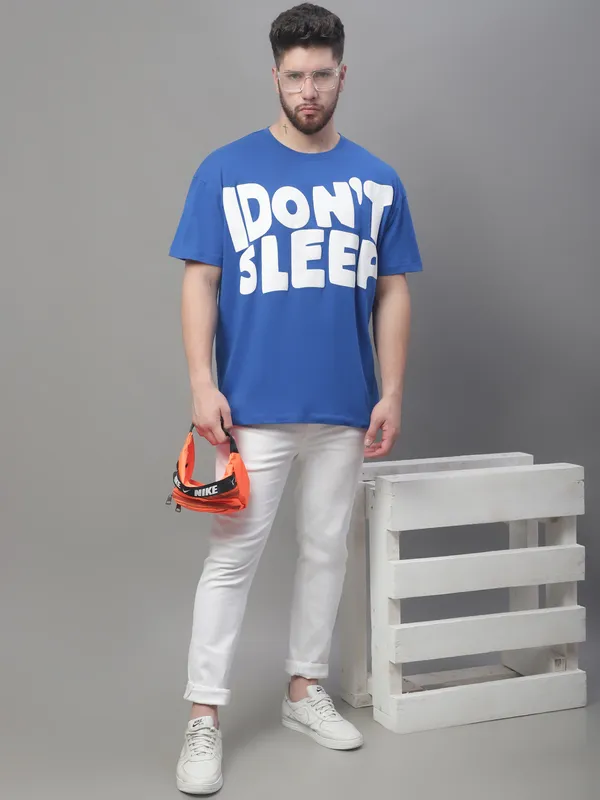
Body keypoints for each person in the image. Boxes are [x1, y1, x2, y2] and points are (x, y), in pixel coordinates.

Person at [168, 3, 422, 794]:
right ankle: (204, 716)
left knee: (325, 551)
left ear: (343, 74)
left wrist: (391, 390)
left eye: (321, 75)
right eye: (294, 76)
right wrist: (202, 381)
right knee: (231, 560)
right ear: (274, 75)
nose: (308, 90)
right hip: (251, 409)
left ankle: (303, 691)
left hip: (344, 407)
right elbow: (200, 279)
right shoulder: (225, 170)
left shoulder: (377, 180)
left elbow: (393, 290)